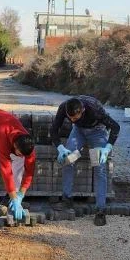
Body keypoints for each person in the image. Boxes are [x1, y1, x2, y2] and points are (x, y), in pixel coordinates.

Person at [51, 96, 120, 226]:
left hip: (97, 132)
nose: (71, 120)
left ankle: (100, 210)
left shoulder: (95, 110)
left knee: (98, 166)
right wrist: (60, 148)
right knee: (68, 160)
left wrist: (107, 148)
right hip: (78, 131)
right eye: (70, 118)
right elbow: (54, 130)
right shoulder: (64, 107)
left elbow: (116, 127)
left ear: (82, 111)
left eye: (75, 118)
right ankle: (67, 199)